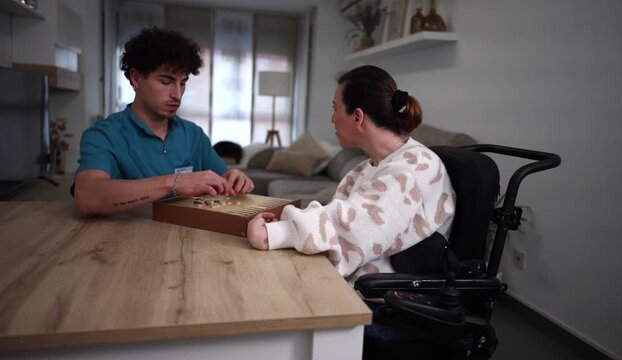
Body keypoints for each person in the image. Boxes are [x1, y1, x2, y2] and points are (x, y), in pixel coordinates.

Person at [246, 65, 455, 284]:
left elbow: (351, 233)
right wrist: (285, 224)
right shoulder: (369, 167)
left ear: (357, 117)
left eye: (335, 108)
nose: (332, 119)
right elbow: (342, 215)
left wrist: (274, 234)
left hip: (375, 297)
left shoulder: (409, 172)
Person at [74, 27, 254, 215]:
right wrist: (174, 183)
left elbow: (223, 179)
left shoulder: (193, 134)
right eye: (166, 81)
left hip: (187, 238)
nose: (177, 94)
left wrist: (234, 178)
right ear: (136, 78)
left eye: (182, 82)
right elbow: (87, 197)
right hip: (127, 240)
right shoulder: (104, 134)